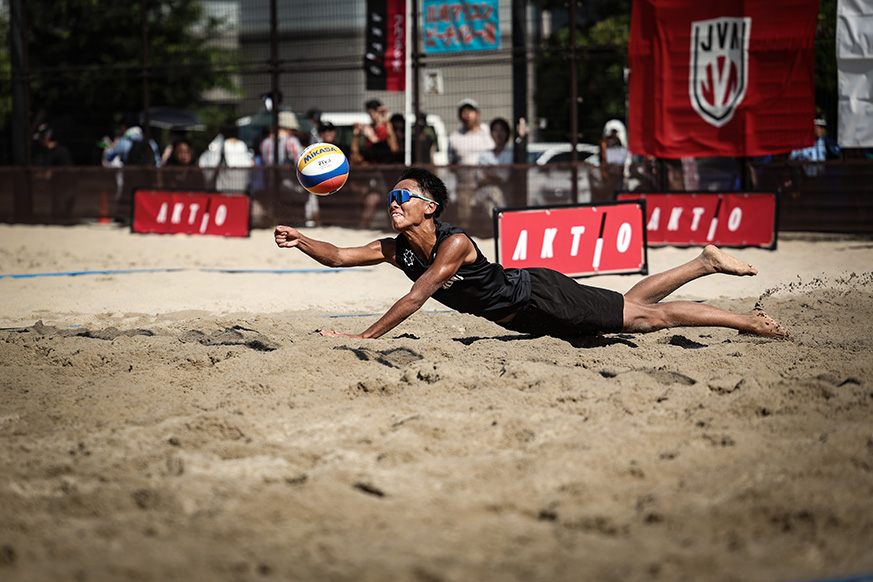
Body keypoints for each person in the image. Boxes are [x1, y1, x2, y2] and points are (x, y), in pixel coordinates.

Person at [274, 167, 789, 341]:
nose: (394, 204)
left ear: (429, 206)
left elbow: (416, 299)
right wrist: (302, 241)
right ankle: (703, 262)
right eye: (391, 198)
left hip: (539, 296)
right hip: (526, 316)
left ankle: (747, 322)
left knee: (645, 321)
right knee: (628, 308)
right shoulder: (398, 249)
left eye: (403, 197)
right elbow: (340, 255)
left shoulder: (453, 243)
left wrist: (362, 336)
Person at [32, 123, 75, 219]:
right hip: (72, 188)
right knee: (66, 218)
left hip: (61, 191)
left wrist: (33, 177)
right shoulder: (64, 149)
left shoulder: (50, 154)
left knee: (57, 218)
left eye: (41, 139)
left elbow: (48, 175)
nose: (40, 142)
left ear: (46, 138)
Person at [199, 118, 254, 192]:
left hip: (225, 187)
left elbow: (207, 164)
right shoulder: (242, 145)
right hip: (242, 187)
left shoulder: (220, 146)